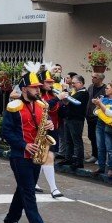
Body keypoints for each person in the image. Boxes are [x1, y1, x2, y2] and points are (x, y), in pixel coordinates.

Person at [1, 62, 55, 223]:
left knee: (23, 189)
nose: (38, 90)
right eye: (34, 87)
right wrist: (24, 145)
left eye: (39, 87)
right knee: (29, 192)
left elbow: (43, 127)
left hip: (37, 154)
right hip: (20, 156)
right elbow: (6, 132)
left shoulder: (41, 105)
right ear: (25, 88)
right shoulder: (14, 107)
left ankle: (10, 219)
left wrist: (50, 126)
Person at [38, 66, 68, 197]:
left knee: (42, 158)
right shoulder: (38, 94)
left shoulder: (53, 94)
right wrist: (58, 98)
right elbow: (44, 106)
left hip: (54, 128)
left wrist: (65, 102)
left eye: (51, 82)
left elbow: (60, 112)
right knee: (48, 156)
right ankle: (54, 188)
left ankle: (33, 182)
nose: (51, 84)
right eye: (48, 82)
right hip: (41, 130)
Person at [92, 83, 112, 178]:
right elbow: (95, 112)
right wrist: (99, 105)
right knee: (100, 147)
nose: (105, 89)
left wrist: (100, 104)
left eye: (107, 88)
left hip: (109, 126)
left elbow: (111, 114)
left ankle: (111, 168)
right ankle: (101, 167)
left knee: (110, 148)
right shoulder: (105, 99)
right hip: (100, 124)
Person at [61, 75, 89, 170]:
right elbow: (67, 102)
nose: (72, 85)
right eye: (72, 83)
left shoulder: (83, 93)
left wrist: (65, 91)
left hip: (76, 120)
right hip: (69, 118)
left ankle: (79, 161)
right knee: (68, 140)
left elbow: (70, 100)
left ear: (80, 83)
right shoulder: (76, 93)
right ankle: (68, 158)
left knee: (76, 141)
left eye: (74, 83)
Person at [84, 73, 106, 164]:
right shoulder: (90, 87)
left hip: (98, 117)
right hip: (89, 116)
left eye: (95, 77)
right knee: (91, 136)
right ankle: (94, 155)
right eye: (92, 77)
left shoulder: (105, 89)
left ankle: (101, 157)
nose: (92, 79)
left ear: (101, 79)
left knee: (100, 138)